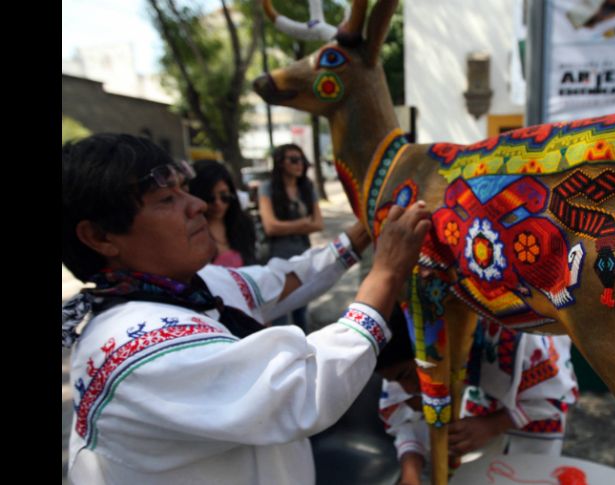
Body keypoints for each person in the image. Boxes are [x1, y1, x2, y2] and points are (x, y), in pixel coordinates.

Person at [61, 133, 432, 484]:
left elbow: (285, 279)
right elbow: (302, 389)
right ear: (100, 236)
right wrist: (386, 273)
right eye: (166, 200)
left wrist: (367, 227)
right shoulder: (134, 349)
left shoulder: (194, 285)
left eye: (183, 189)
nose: (198, 205)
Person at [376, 308, 579, 485]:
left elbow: (557, 395)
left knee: (532, 474)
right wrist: (411, 477)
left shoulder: (516, 337)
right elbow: (404, 419)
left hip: (535, 402)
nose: (408, 388)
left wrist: (493, 425)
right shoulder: (410, 344)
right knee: (475, 472)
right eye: (397, 381)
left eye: (406, 377)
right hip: (480, 388)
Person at [259, 144, 322, 331]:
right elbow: (270, 226)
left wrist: (285, 227)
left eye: (301, 159)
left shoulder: (307, 187)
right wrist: (302, 224)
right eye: (293, 159)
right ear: (280, 163)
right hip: (276, 259)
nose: (299, 164)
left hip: (302, 256)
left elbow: (319, 224)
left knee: (301, 312)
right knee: (278, 313)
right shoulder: (268, 187)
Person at [189, 159, 257, 267]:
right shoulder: (188, 232)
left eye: (224, 196)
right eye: (209, 198)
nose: (218, 203)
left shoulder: (243, 224)